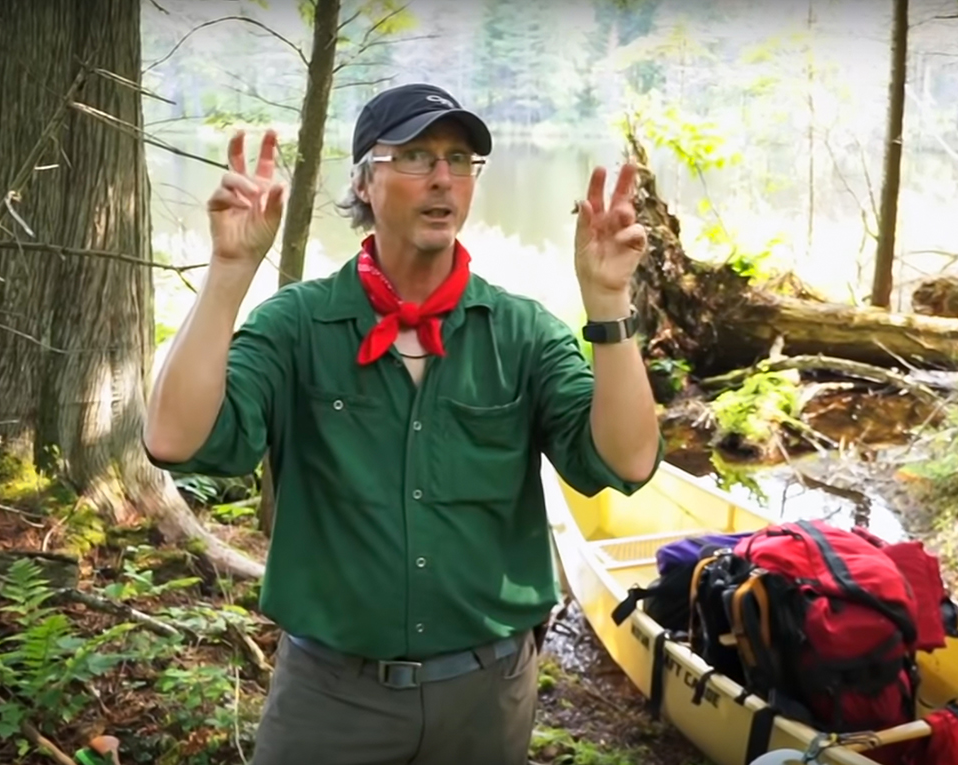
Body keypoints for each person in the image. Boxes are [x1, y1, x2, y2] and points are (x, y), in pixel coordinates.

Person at [142, 83, 663, 765]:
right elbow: (174, 439)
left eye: (459, 158)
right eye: (416, 155)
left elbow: (626, 461)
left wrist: (609, 301)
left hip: (486, 698)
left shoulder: (521, 333)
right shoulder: (299, 326)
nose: (443, 177)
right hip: (329, 698)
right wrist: (230, 269)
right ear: (364, 178)